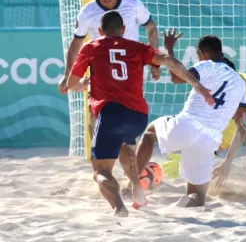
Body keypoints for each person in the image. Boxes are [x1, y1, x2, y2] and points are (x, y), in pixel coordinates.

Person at [67, 11, 212, 216]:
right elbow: (170, 61)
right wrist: (196, 85)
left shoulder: (91, 47)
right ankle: (137, 190)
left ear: (99, 31)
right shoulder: (137, 47)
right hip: (137, 116)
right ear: (124, 30)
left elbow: (71, 83)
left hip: (110, 113)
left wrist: (83, 83)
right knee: (125, 146)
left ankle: (119, 207)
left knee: (101, 171)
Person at [134, 30, 246, 207]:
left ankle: (133, 185)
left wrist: (169, 48)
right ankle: (176, 210)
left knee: (150, 133)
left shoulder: (208, 65)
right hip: (211, 139)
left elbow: (175, 77)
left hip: (188, 124)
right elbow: (241, 119)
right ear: (222, 54)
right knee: (197, 196)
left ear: (203, 54)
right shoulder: (241, 83)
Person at [58, 0, 160, 143]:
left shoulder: (133, 4)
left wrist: (154, 62)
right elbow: (76, 43)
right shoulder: (88, 12)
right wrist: (67, 73)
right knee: (94, 113)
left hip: (130, 68)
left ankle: (129, 161)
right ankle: (98, 162)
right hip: (100, 68)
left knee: (128, 115)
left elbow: (151, 28)